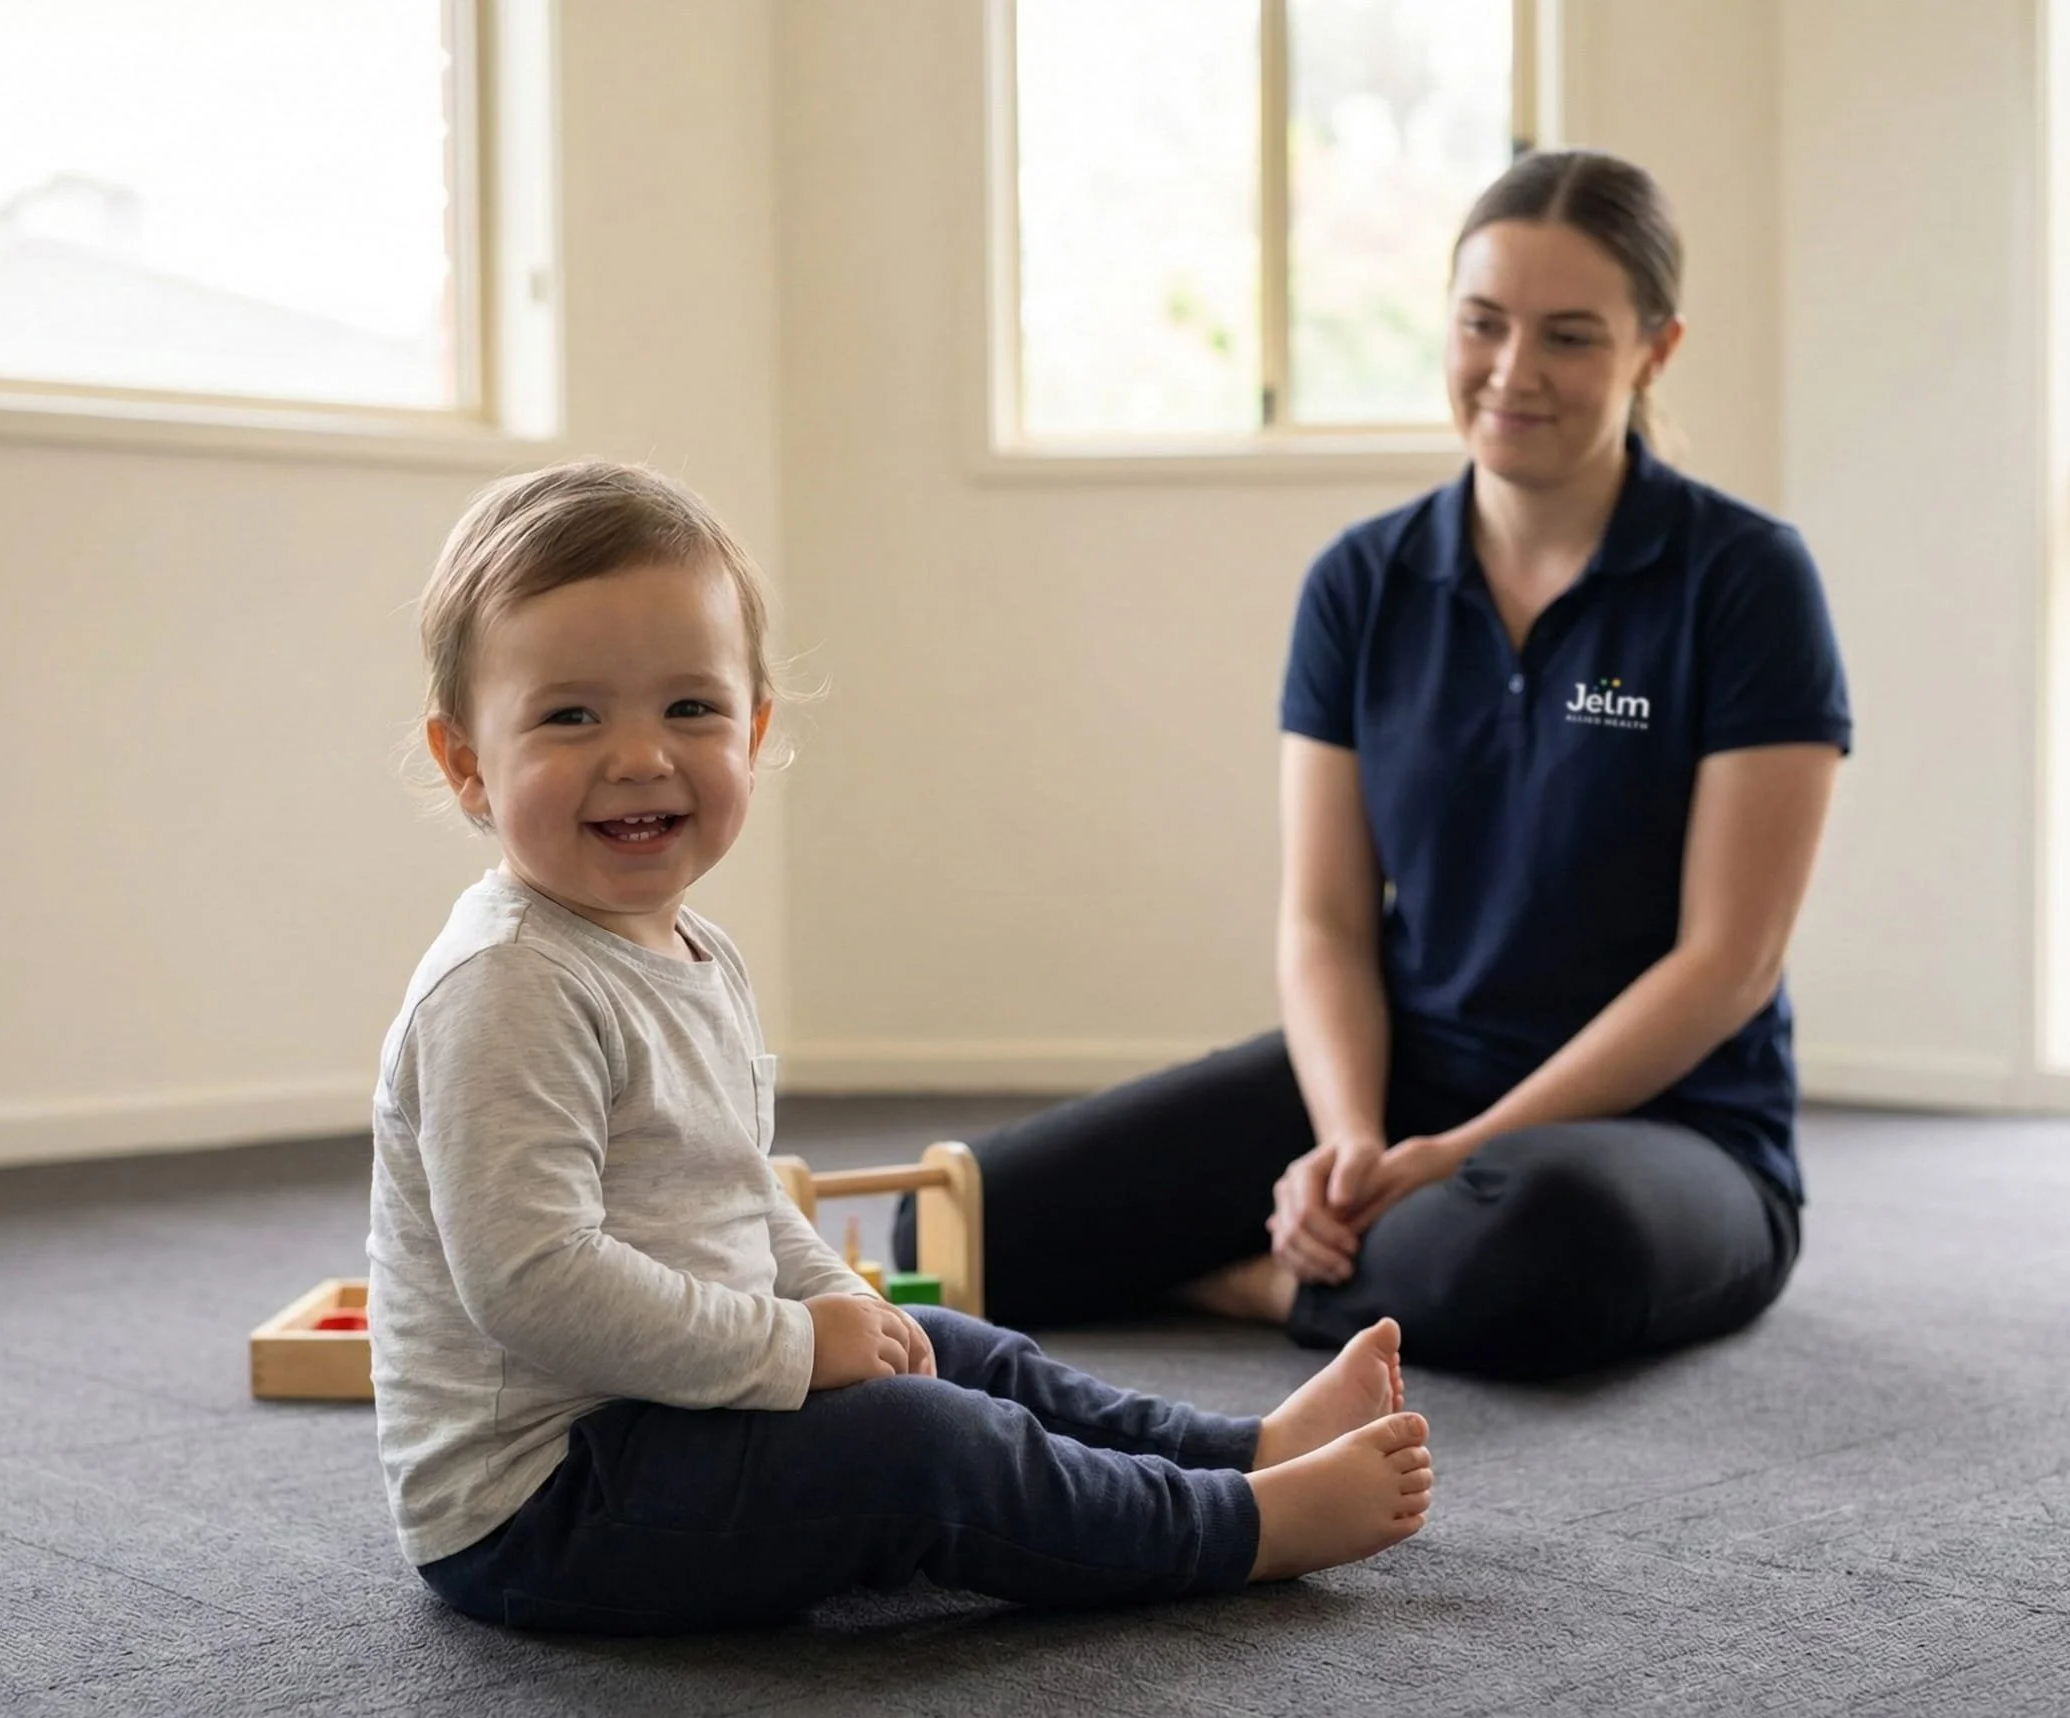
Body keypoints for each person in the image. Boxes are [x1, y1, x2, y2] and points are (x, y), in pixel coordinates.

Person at [367, 460, 1434, 1635]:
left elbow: (729, 1196)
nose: (639, 756)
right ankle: (1239, 1529)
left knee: (949, 1346)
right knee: (916, 1444)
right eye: (571, 715)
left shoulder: (691, 952)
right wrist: (790, 1346)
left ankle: (1242, 1449)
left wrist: (833, 1299)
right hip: (547, 1504)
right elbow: (534, 1283)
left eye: (690, 707)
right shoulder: (506, 987)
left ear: (755, 727)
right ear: (467, 759)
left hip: (681, 1403)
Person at [905, 150, 1852, 1381]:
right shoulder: (1363, 581)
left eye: (1569, 336)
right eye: (1482, 324)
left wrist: (1457, 1155)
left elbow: (1728, 963)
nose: (1513, 372)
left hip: (1665, 1135)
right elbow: (1326, 919)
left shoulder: (1746, 581)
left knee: (1544, 1250)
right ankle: (1332, 1243)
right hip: (1402, 1079)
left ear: (1654, 352)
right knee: (952, 1227)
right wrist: (1355, 1138)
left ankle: (1249, 1282)